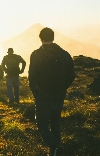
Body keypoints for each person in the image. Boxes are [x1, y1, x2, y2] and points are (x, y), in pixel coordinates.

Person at [28, 27, 76, 156]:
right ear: (53, 38)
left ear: (41, 38)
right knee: (55, 122)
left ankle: (54, 145)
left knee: (42, 124)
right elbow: (72, 74)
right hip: (59, 94)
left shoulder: (36, 54)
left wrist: (36, 93)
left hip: (43, 94)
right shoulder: (64, 54)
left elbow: (32, 78)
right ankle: (55, 151)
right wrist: (63, 87)